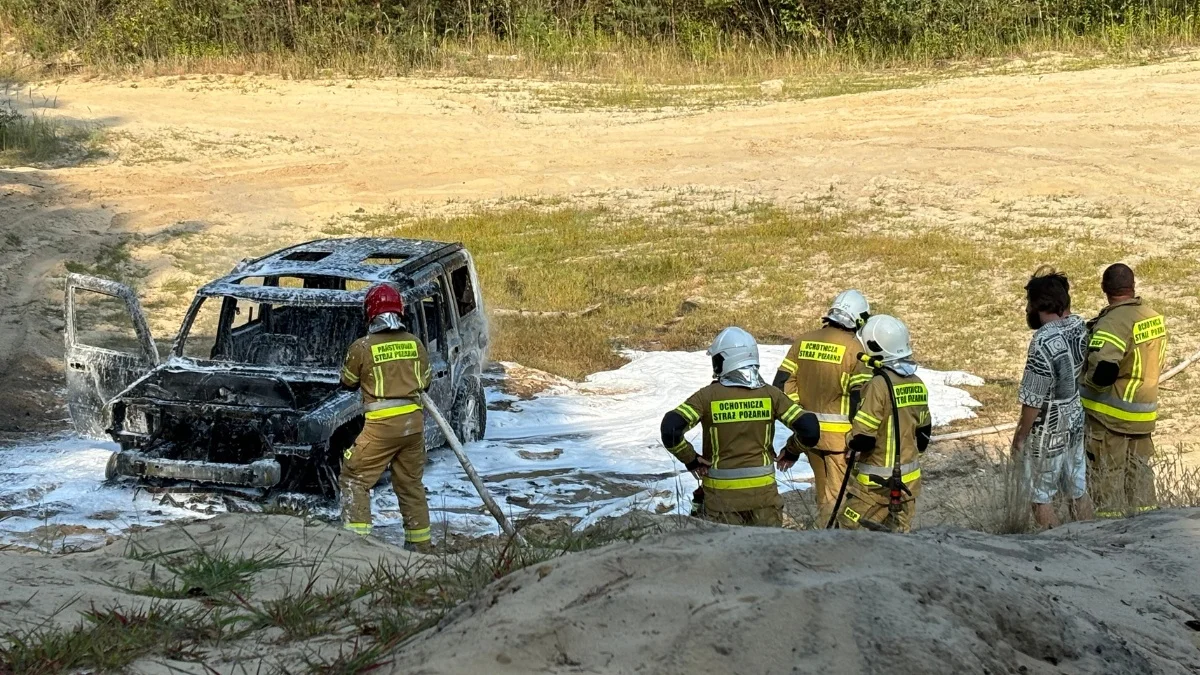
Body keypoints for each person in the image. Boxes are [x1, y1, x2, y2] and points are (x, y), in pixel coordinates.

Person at [661, 327, 820, 527]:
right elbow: (810, 429)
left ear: (723, 361)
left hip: (721, 502)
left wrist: (691, 460)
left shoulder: (707, 397)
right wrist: (792, 451)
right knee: (765, 554)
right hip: (764, 500)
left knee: (727, 556)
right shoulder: (771, 395)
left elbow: (670, 429)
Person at [339, 282, 434, 551]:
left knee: (353, 478)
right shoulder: (415, 344)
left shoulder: (362, 346)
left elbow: (347, 382)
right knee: (410, 485)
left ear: (370, 313)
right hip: (413, 427)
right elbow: (426, 383)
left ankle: (357, 545)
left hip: (380, 428)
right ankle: (420, 548)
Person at [772, 290, 873, 525]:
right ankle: (831, 546)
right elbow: (861, 398)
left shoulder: (802, 341)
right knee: (839, 500)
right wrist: (860, 437)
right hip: (842, 442)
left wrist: (800, 420)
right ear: (858, 319)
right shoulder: (854, 349)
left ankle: (824, 539)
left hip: (810, 437)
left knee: (824, 495)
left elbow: (780, 385)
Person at [1010, 267, 1094, 528]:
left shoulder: (1042, 341)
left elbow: (1033, 398)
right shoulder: (1079, 326)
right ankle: (1094, 538)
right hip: (1075, 417)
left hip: (1048, 428)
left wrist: (1021, 436)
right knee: (1077, 487)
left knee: (1039, 495)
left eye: (1028, 303)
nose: (1026, 310)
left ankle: (1058, 549)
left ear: (1038, 304)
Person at [1082, 264, 1166, 516]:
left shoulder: (1113, 323)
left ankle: (1107, 537)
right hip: (1143, 415)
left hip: (1110, 419)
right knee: (1140, 482)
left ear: (1104, 288)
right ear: (1133, 286)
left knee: (1105, 481)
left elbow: (1103, 370)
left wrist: (1086, 387)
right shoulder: (1152, 317)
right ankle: (1148, 529)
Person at [838, 315, 931, 533]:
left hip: (874, 486)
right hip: (908, 486)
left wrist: (848, 442)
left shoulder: (878, 385)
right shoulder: (918, 384)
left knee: (847, 533)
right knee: (899, 542)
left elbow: (863, 439)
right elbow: (924, 435)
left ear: (874, 347)